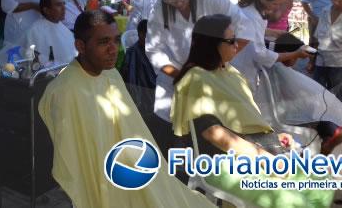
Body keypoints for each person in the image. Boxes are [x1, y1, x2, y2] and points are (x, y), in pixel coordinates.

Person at [38, 11, 212, 208]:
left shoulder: (111, 74)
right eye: (104, 42)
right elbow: (74, 159)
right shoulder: (64, 91)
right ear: (80, 46)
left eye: (116, 40)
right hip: (100, 178)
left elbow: (132, 128)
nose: (114, 49)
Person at [171, 15, 334, 208]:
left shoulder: (229, 72)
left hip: (254, 147)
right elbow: (213, 133)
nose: (237, 45)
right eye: (231, 41)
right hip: (220, 161)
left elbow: (245, 117)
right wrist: (266, 160)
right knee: (295, 202)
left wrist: (273, 137)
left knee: (322, 182)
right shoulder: (197, 78)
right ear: (211, 44)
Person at [231, 0, 342, 154]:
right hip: (241, 72)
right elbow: (260, 53)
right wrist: (294, 54)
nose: (279, 9)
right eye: (277, 4)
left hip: (248, 73)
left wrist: (272, 33)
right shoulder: (250, 16)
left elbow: (254, 35)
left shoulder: (251, 12)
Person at [146, 0, 252, 151]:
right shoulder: (158, 8)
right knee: (173, 138)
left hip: (213, 73)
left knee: (213, 130)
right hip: (174, 79)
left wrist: (221, 61)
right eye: (172, 1)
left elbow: (244, 28)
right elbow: (154, 50)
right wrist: (182, 76)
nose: (179, 3)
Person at [23, 0, 77, 65]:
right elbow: (33, 58)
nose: (64, 8)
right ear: (46, 10)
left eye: (64, 4)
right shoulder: (36, 30)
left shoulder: (64, 28)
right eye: (58, 5)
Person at [119, 19, 156, 115]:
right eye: (148, 36)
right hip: (144, 98)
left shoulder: (155, 50)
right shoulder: (133, 54)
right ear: (140, 35)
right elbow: (131, 82)